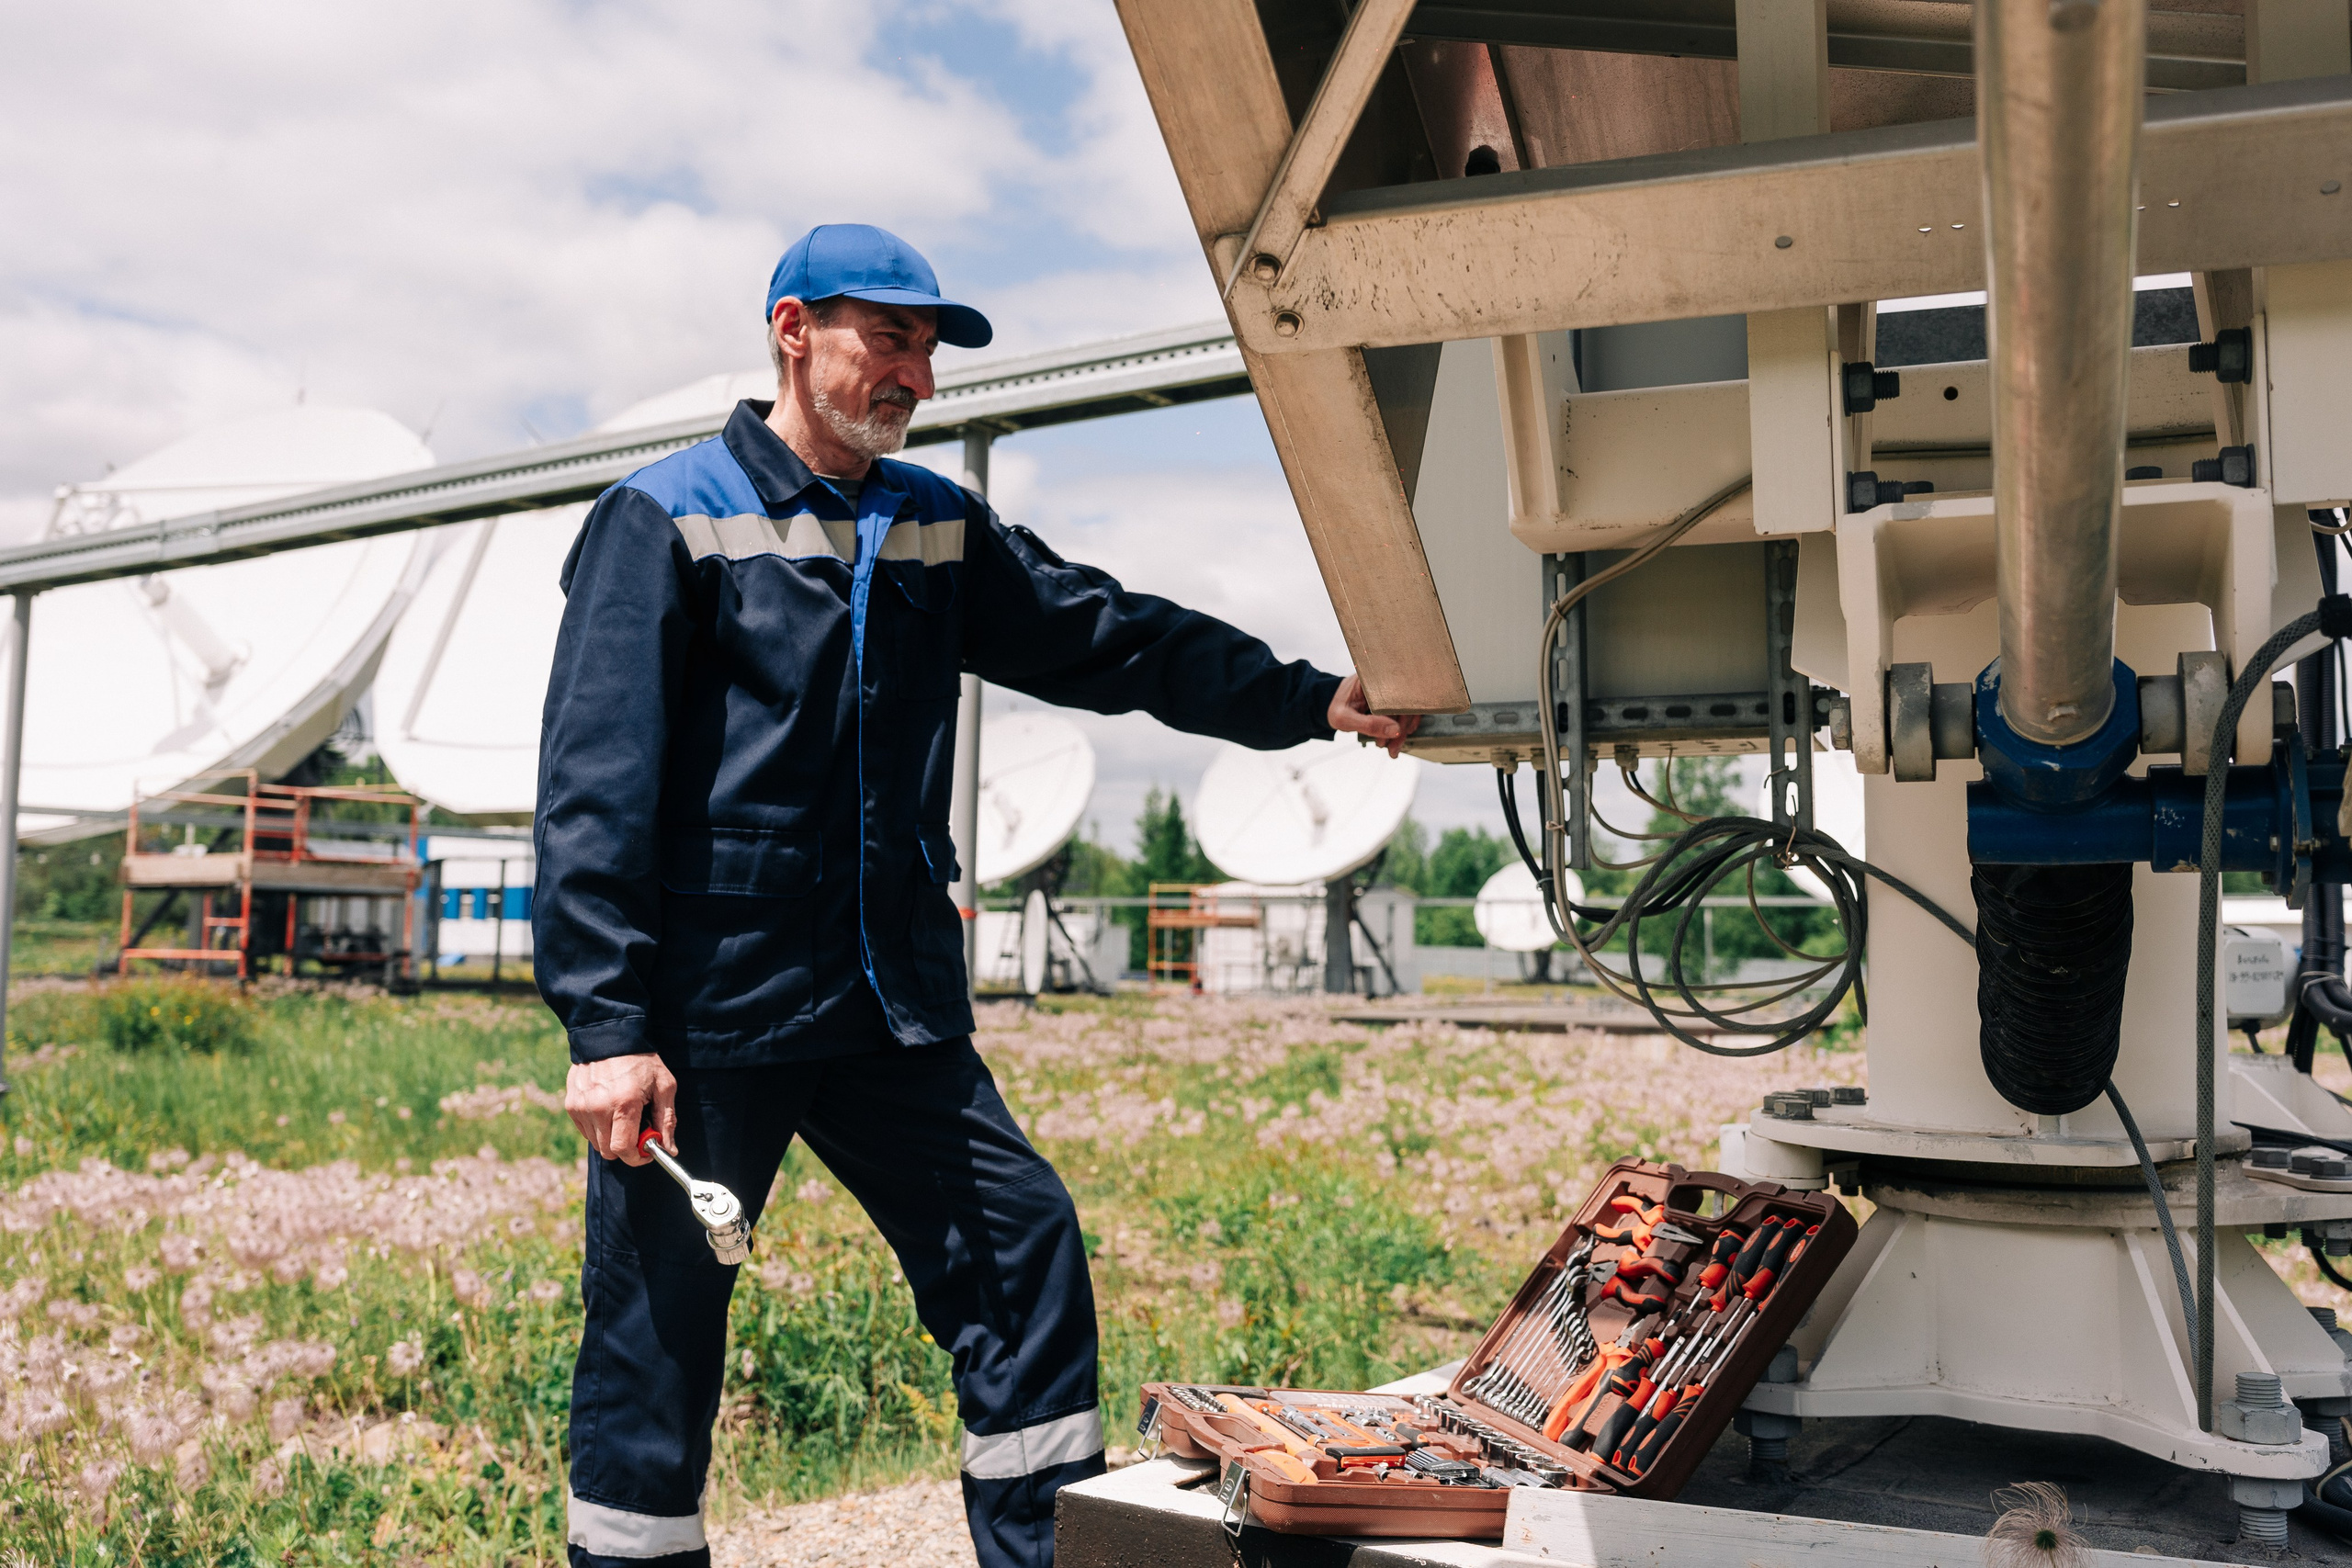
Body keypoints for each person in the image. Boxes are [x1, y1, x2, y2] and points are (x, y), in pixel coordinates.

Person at [535, 222, 1419, 1568]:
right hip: (713, 1007)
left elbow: (1104, 632)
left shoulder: (932, 526)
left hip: (886, 999)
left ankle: (1039, 1554)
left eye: (926, 352)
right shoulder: (666, 517)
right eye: (889, 340)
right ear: (792, 330)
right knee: (662, 1324)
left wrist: (1309, 698)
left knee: (1020, 1245)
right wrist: (607, 1029)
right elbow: (598, 783)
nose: (915, 377)